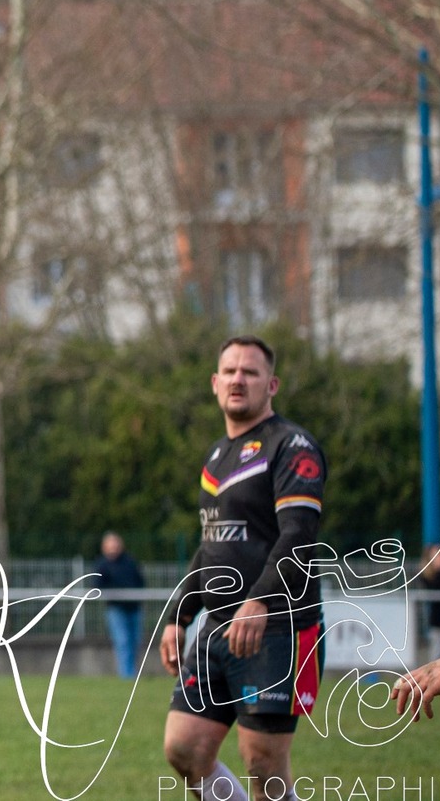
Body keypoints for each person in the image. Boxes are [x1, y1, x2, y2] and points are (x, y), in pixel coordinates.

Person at [160, 336, 326, 801]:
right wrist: (178, 614)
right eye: (229, 371)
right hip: (217, 628)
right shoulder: (216, 456)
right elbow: (212, 546)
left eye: (250, 372)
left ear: (271, 384)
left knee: (264, 766)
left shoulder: (292, 447)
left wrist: (261, 601)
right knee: (184, 747)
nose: (238, 379)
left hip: (279, 627)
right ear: (215, 384)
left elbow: (298, 537)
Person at [95, 532, 146, 679]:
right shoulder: (102, 565)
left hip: (134, 608)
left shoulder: (129, 562)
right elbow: (97, 585)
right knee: (123, 642)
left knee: (135, 642)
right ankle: (127, 676)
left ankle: (132, 673)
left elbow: (140, 581)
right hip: (116, 609)